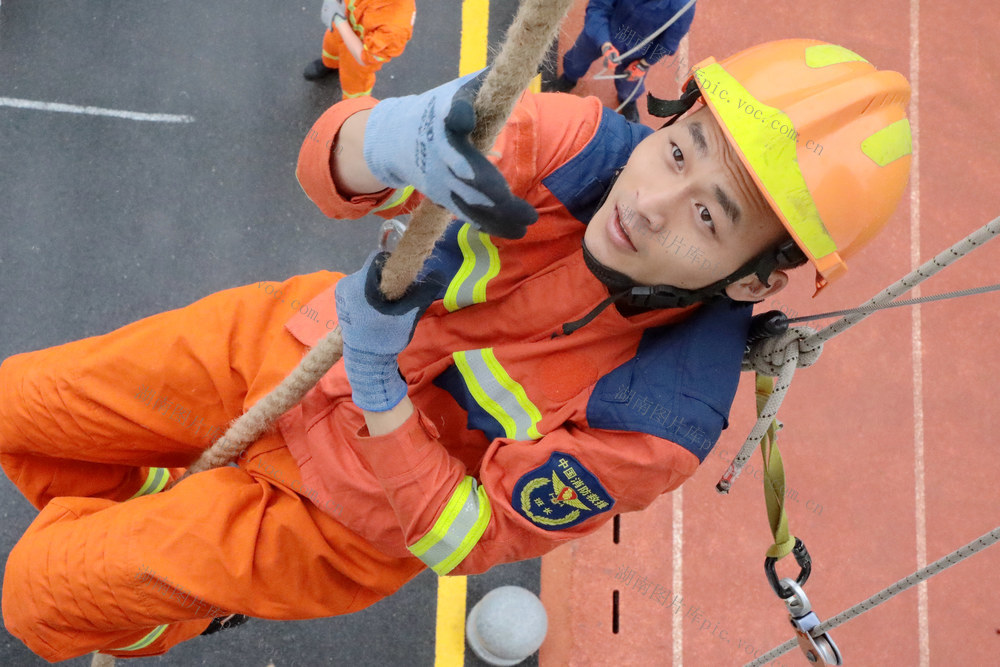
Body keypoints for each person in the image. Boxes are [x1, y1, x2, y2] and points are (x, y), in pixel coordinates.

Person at [0, 39, 912, 661]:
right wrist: (380, 143)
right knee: (18, 409)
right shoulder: (576, 148)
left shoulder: (658, 417)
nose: (653, 204)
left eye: (713, 215)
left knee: (40, 595)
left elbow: (467, 537)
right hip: (276, 350)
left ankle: (171, 604)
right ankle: (145, 505)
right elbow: (329, 166)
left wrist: (381, 399)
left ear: (754, 283)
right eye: (682, 152)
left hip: (338, 522)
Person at [545, 0, 697, 122]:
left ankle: (627, 100)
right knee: (577, 59)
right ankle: (569, 78)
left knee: (629, 85)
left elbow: (668, 43)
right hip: (603, 32)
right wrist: (603, 43)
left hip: (638, 52)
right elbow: (598, 7)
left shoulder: (683, 7)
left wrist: (644, 64)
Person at [303, 0, 416, 99]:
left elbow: (364, 57)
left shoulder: (396, 27)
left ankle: (350, 112)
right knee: (330, 48)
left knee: (354, 89)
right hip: (340, 28)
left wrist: (338, 20)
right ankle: (329, 64)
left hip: (357, 59)